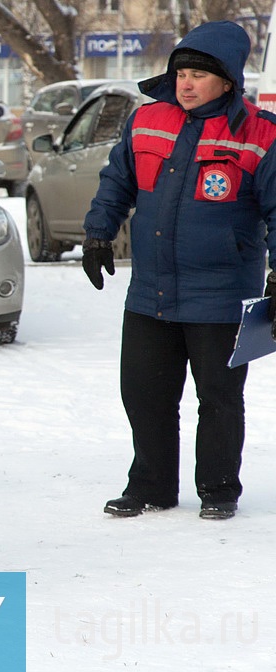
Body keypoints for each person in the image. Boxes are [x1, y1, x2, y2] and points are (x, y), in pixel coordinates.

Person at [82, 21, 276, 521]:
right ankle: (150, 486)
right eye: (181, 73)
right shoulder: (148, 119)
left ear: (229, 81)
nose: (186, 84)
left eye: (198, 75)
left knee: (219, 398)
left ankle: (217, 489)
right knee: (144, 393)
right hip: (151, 290)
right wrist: (99, 231)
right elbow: (117, 180)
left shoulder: (261, 133)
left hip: (223, 292)